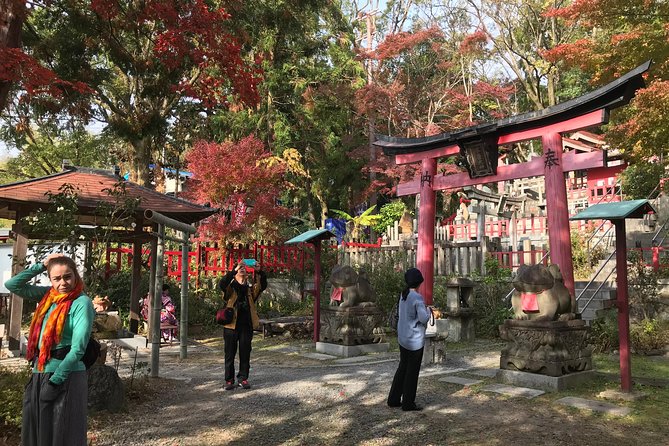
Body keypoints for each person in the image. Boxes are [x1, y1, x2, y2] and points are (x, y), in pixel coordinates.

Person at [5, 253, 94, 446]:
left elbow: (78, 348)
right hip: (40, 372)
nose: (63, 282)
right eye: (57, 278)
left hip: (66, 375)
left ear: (75, 275)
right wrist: (42, 264)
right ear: (50, 279)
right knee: (36, 434)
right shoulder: (48, 296)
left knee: (63, 434)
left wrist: (55, 382)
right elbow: (13, 285)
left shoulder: (81, 302)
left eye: (67, 276)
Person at [387, 267, 431, 411]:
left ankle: (393, 399)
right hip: (415, 340)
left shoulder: (403, 294)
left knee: (402, 368)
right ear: (419, 282)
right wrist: (429, 310)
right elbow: (424, 318)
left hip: (403, 337)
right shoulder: (417, 297)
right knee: (412, 372)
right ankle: (408, 403)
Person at [218, 260, 267, 390]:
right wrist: (233, 271)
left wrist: (258, 271)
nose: (242, 269)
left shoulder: (250, 289)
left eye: (244, 268)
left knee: (245, 353)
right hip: (231, 326)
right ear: (235, 272)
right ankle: (229, 380)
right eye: (240, 268)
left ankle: (243, 378)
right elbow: (221, 284)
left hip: (246, 325)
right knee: (229, 354)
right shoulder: (230, 287)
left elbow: (262, 286)